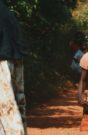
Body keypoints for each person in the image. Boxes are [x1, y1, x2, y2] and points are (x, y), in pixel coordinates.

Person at [0, 1, 26, 134]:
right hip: (15, 59)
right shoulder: (6, 10)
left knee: (7, 110)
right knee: (17, 106)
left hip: (2, 63)